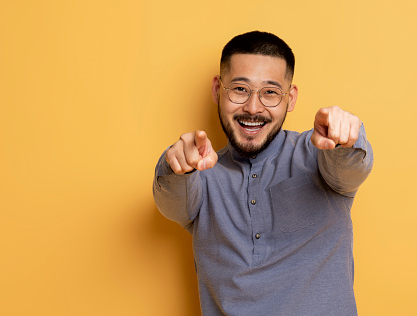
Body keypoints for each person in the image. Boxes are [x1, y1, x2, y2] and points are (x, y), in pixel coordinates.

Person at [153, 31, 373, 315]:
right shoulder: (201, 175)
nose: (253, 108)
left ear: (290, 98)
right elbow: (170, 199)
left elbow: (351, 167)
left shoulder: (319, 154)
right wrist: (176, 166)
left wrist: (346, 139)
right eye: (240, 89)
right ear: (217, 89)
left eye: (270, 92)